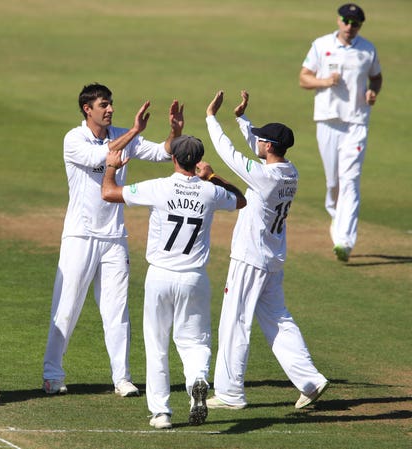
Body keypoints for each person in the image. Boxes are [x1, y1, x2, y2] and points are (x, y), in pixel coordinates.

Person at [42, 83, 184, 397]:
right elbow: (104, 155)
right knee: (66, 307)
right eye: (103, 105)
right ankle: (52, 373)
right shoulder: (73, 139)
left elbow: (163, 154)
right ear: (86, 109)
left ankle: (121, 378)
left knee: (117, 310)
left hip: (114, 237)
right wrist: (134, 131)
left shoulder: (121, 133)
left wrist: (174, 133)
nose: (110, 109)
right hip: (80, 236)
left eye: (111, 104)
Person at [101, 136, 246, 429]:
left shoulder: (158, 187)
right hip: (194, 278)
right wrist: (213, 176)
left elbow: (108, 193)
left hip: (160, 275)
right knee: (194, 341)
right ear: (197, 162)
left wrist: (110, 168)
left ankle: (162, 413)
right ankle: (197, 381)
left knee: (156, 344)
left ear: (175, 159)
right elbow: (241, 199)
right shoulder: (209, 192)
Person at [204, 90, 329, 410]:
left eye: (261, 140)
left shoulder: (264, 177)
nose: (257, 142)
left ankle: (230, 393)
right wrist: (242, 119)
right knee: (278, 320)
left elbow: (231, 155)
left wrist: (211, 119)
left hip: (250, 258)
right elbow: (255, 151)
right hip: (272, 258)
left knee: (234, 322)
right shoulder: (289, 172)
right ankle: (310, 380)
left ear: (269, 146)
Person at [299, 3, 383, 262]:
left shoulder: (367, 49)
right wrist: (325, 82)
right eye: (346, 20)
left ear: (360, 25)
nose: (350, 26)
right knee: (334, 182)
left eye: (355, 23)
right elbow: (303, 78)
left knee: (351, 180)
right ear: (338, 21)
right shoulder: (321, 45)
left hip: (356, 123)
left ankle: (345, 241)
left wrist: (372, 92)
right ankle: (337, 217)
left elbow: (376, 77)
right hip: (327, 120)